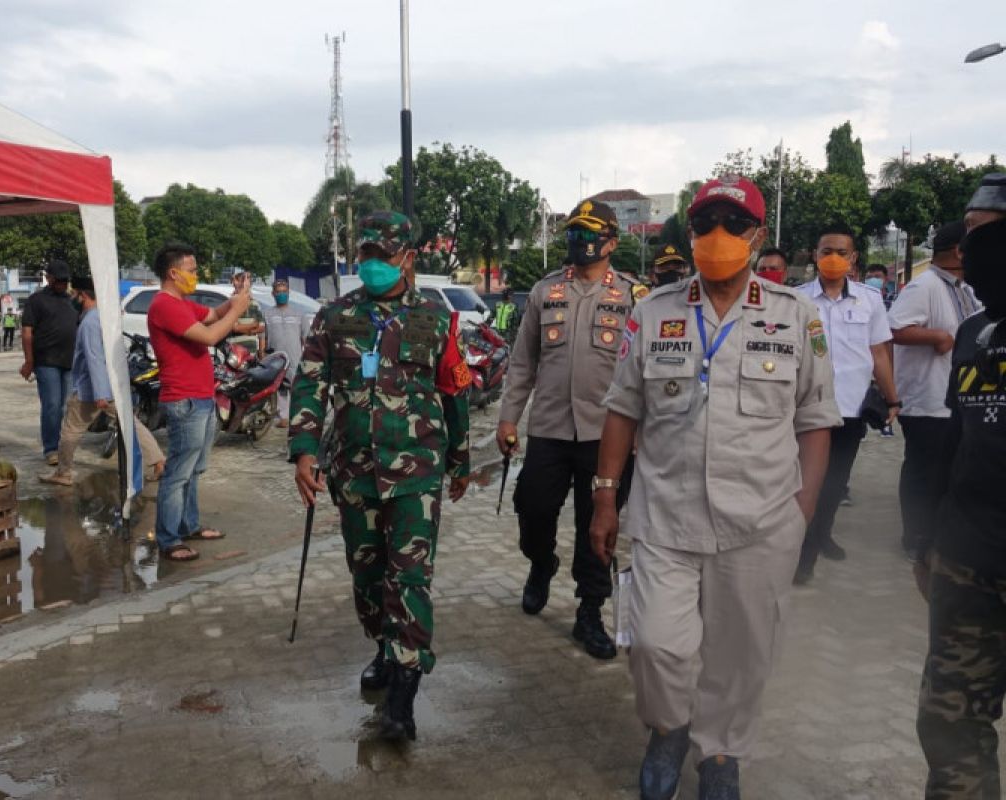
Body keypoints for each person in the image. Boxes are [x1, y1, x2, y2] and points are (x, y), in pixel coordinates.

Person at [590, 176, 838, 800]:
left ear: (756, 236)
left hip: (761, 523)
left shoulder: (796, 317)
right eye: (704, 224)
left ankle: (721, 751)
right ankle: (670, 727)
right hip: (665, 516)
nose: (715, 236)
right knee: (654, 644)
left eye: (732, 223)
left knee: (740, 652)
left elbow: (814, 420)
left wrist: (802, 511)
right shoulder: (653, 313)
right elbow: (622, 410)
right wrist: (603, 497)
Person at [289, 211, 471, 742]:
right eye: (365, 255)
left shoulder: (436, 320)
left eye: (383, 257)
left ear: (407, 259)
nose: (372, 265)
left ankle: (403, 696)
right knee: (368, 577)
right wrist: (303, 451)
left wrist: (459, 461)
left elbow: (454, 392)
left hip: (416, 472)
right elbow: (309, 386)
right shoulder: (334, 317)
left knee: (409, 580)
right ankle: (383, 649)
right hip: (355, 473)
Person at [497, 197, 641, 660]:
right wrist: (507, 417)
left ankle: (589, 612)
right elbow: (523, 362)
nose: (579, 244)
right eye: (574, 235)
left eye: (589, 236)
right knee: (533, 508)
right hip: (551, 428)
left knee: (597, 526)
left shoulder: (636, 299)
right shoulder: (545, 292)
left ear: (612, 243)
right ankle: (541, 563)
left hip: (608, 436)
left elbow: (644, 374)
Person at [915, 211, 1006, 798]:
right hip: (969, 559)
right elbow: (957, 440)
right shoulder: (977, 333)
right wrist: (928, 539)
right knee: (950, 721)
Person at [793, 224, 899, 584]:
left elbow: (879, 354)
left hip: (850, 408)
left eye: (841, 252)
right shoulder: (797, 300)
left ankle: (822, 534)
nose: (833, 258)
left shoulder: (869, 301)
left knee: (835, 483)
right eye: (826, 251)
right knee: (806, 482)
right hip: (807, 408)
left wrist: (892, 397)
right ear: (815, 255)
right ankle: (802, 557)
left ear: (853, 258)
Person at [147, 243, 249, 562]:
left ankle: (188, 524)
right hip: (185, 399)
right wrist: (237, 309)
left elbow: (216, 316)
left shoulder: (182, 304)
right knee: (178, 471)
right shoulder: (164, 305)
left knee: (193, 469)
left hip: (202, 397)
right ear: (173, 273)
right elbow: (210, 336)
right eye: (191, 271)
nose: (194, 276)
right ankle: (169, 539)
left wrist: (237, 297)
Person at [888, 221, 981, 557]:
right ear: (959, 251)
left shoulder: (965, 288)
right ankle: (914, 537)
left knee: (947, 472)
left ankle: (937, 534)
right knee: (922, 471)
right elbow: (895, 327)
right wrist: (937, 337)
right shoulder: (924, 286)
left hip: (954, 399)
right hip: (926, 398)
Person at [39, 276, 164, 487]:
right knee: (131, 425)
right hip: (111, 386)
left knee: (70, 432)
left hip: (91, 390)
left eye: (75, 294)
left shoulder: (89, 322)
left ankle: (64, 472)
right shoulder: (105, 319)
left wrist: (99, 393)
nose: (72, 298)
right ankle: (159, 461)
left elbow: (94, 358)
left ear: (84, 295)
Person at [20, 260, 79, 466]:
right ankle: (51, 449)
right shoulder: (36, 300)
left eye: (65, 281)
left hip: (70, 361)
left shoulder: (72, 301)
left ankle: (65, 446)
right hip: (46, 362)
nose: (63, 284)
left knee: (67, 407)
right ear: (49, 278)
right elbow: (27, 332)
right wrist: (29, 361)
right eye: (59, 280)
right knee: (52, 405)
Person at [263, 277, 310, 427]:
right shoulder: (267, 314)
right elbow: (263, 336)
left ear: (289, 292)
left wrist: (307, 357)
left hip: (295, 358)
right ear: (273, 294)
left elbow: (306, 337)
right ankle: (283, 417)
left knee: (296, 387)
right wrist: (262, 354)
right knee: (280, 389)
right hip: (275, 359)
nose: (281, 294)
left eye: (284, 291)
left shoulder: (299, 314)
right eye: (278, 292)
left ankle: (297, 416)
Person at [226, 270, 266, 355]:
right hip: (235, 353)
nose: (243, 285)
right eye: (241, 281)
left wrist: (247, 330)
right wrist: (253, 325)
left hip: (252, 352)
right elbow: (235, 328)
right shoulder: (231, 303)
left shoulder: (255, 304)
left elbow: (261, 328)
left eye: (246, 282)